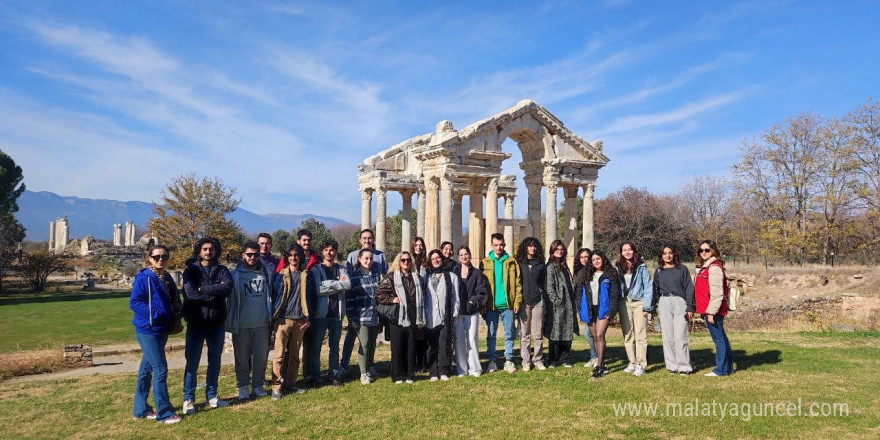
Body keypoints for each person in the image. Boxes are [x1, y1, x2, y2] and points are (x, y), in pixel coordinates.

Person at [130, 244, 182, 424]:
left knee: (146, 369)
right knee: (160, 369)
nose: (161, 260)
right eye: (157, 257)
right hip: (148, 330)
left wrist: (174, 315)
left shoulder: (165, 276)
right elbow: (135, 302)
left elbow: (173, 299)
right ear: (149, 258)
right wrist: (157, 313)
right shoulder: (144, 278)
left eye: (164, 256)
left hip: (162, 328)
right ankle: (165, 413)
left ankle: (140, 410)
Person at [181, 237, 232, 414]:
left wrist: (205, 289)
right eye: (205, 249)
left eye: (211, 249)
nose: (208, 252)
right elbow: (191, 294)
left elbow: (228, 289)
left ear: (216, 251)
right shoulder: (191, 271)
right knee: (192, 363)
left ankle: (212, 396)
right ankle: (188, 399)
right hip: (196, 323)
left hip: (217, 323)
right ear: (199, 251)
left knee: (215, 361)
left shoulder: (222, 270)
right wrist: (215, 290)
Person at [228, 241, 275, 400]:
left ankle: (257, 385)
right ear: (243, 255)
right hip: (242, 324)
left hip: (262, 323)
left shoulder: (266, 272)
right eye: (249, 254)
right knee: (241, 358)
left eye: (255, 254)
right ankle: (242, 386)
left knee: (261, 357)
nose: (253, 257)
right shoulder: (235, 275)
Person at [269, 243, 312, 400]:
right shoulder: (279, 276)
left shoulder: (306, 275)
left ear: (300, 257)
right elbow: (274, 297)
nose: (294, 258)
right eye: (291, 255)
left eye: (296, 255)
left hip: (300, 320)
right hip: (283, 320)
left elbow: (310, 298)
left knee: (294, 355)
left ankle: (291, 383)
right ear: (287, 257)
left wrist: (309, 318)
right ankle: (276, 387)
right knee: (279, 355)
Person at [305, 240, 350, 387]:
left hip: (336, 314)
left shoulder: (342, 269)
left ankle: (334, 374)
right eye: (326, 250)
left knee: (335, 347)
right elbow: (318, 290)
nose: (329, 253)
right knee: (316, 346)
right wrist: (338, 285)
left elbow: (348, 285)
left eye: (332, 250)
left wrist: (328, 284)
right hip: (320, 314)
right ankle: (315, 376)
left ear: (336, 252)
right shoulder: (316, 270)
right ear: (322, 252)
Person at [375, 252, 426, 384]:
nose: (406, 262)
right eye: (403, 260)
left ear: (412, 262)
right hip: (398, 316)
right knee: (397, 347)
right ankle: (398, 375)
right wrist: (392, 299)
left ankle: (410, 375)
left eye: (408, 260)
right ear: (398, 262)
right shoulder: (391, 277)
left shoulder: (417, 278)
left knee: (411, 347)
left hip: (413, 316)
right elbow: (378, 293)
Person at [480, 233, 522, 374]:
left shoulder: (511, 261)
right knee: (491, 334)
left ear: (504, 245)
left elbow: (518, 283)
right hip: (491, 305)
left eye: (501, 245)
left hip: (508, 305)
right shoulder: (485, 262)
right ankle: (492, 361)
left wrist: (517, 301)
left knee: (509, 333)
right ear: (492, 245)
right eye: (496, 245)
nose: (499, 247)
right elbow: (481, 285)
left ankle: (508, 361)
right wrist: (482, 304)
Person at [653, 245, 695, 375]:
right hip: (664, 302)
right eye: (664, 253)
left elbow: (689, 288)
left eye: (670, 253)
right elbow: (655, 289)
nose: (668, 256)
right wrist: (652, 307)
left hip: (679, 302)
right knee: (668, 337)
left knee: (680, 336)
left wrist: (690, 307)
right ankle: (672, 365)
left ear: (674, 254)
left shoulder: (682, 269)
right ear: (661, 256)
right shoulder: (659, 271)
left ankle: (684, 366)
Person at [577, 250, 619, 378]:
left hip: (603, 309)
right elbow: (578, 292)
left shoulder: (610, 274)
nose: (596, 261)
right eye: (593, 259)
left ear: (603, 259)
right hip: (590, 309)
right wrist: (579, 307)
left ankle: (600, 366)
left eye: (598, 258)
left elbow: (614, 294)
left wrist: (611, 311)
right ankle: (601, 362)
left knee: (600, 335)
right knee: (595, 336)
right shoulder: (586, 274)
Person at [695, 240, 733, 377]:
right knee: (721, 337)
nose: (703, 253)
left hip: (713, 310)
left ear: (713, 251)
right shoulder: (706, 266)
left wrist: (711, 312)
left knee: (718, 339)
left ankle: (721, 370)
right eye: (701, 250)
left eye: (707, 250)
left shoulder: (714, 268)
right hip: (708, 309)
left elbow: (717, 294)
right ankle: (727, 367)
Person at [616, 242, 653, 377]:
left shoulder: (641, 266)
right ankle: (632, 362)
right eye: (624, 250)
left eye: (629, 249)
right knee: (628, 334)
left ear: (634, 251)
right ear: (621, 252)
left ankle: (641, 364)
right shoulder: (617, 267)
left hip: (639, 302)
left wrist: (647, 307)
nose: (627, 252)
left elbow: (648, 287)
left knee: (640, 334)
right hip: (624, 302)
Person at [347, 248, 383, 385]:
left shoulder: (375, 274)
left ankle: (369, 369)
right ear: (360, 259)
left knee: (372, 344)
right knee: (365, 344)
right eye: (366, 258)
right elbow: (350, 299)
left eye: (370, 259)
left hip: (375, 315)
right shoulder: (355, 277)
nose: (368, 261)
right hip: (361, 316)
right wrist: (351, 318)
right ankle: (363, 373)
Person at [423, 249, 460, 381]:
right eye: (433, 259)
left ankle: (444, 371)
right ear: (430, 261)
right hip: (429, 316)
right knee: (431, 346)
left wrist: (454, 313)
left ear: (442, 259)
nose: (436, 260)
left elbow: (456, 297)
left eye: (438, 258)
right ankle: (433, 372)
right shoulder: (425, 277)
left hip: (446, 316)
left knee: (444, 345)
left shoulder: (451, 276)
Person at [455, 245, 487, 377]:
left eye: (466, 254)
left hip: (471, 311)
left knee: (472, 339)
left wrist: (473, 301)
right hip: (458, 311)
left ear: (470, 255)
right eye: (461, 254)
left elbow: (482, 291)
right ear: (458, 257)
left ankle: (475, 368)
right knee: (459, 341)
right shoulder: (454, 272)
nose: (464, 257)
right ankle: (461, 369)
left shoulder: (477, 273)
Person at [515, 237, 546, 371]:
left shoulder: (541, 263)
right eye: (530, 246)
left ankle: (538, 359)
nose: (532, 248)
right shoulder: (519, 263)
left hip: (538, 301)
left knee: (538, 333)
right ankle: (526, 361)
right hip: (524, 302)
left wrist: (542, 295)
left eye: (534, 246)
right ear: (525, 247)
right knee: (525, 334)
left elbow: (544, 282)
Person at [544, 240, 577, 368]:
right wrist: (557, 301)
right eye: (557, 249)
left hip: (568, 303)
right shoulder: (550, 266)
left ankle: (566, 358)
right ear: (552, 250)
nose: (560, 251)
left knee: (567, 330)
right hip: (557, 304)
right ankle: (553, 359)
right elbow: (550, 287)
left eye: (562, 249)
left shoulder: (564, 266)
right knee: (556, 331)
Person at [573, 248, 599, 368]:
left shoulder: (593, 271)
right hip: (585, 307)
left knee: (590, 333)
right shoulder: (579, 272)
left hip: (594, 307)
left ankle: (597, 357)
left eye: (586, 257)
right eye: (582, 257)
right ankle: (595, 357)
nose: (584, 259)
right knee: (589, 333)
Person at [410, 237, 428, 372]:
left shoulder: (426, 263)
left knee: (421, 334)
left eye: (421, 245)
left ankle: (421, 361)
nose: (419, 247)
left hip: (424, 301)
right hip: (411, 303)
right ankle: (412, 361)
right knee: (412, 334)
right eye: (416, 245)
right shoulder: (408, 261)